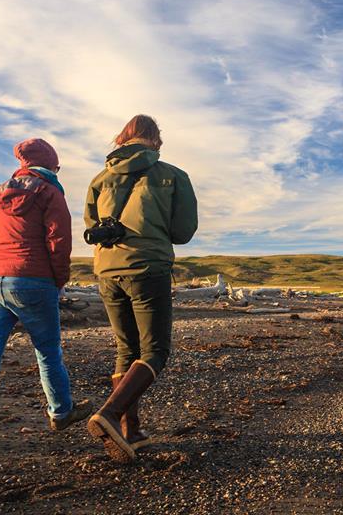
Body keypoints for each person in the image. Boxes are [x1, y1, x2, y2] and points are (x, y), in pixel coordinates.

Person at [0, 138, 91, 448]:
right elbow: (59, 242)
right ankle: (60, 412)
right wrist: (59, 281)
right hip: (34, 280)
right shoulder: (49, 191)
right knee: (47, 351)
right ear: (50, 165)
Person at [84, 115, 198, 461]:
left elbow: (92, 225)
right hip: (148, 268)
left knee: (126, 349)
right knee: (155, 351)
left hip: (107, 271)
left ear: (122, 139)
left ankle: (131, 432)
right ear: (156, 140)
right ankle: (110, 415)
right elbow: (182, 231)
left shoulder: (100, 179)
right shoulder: (172, 176)